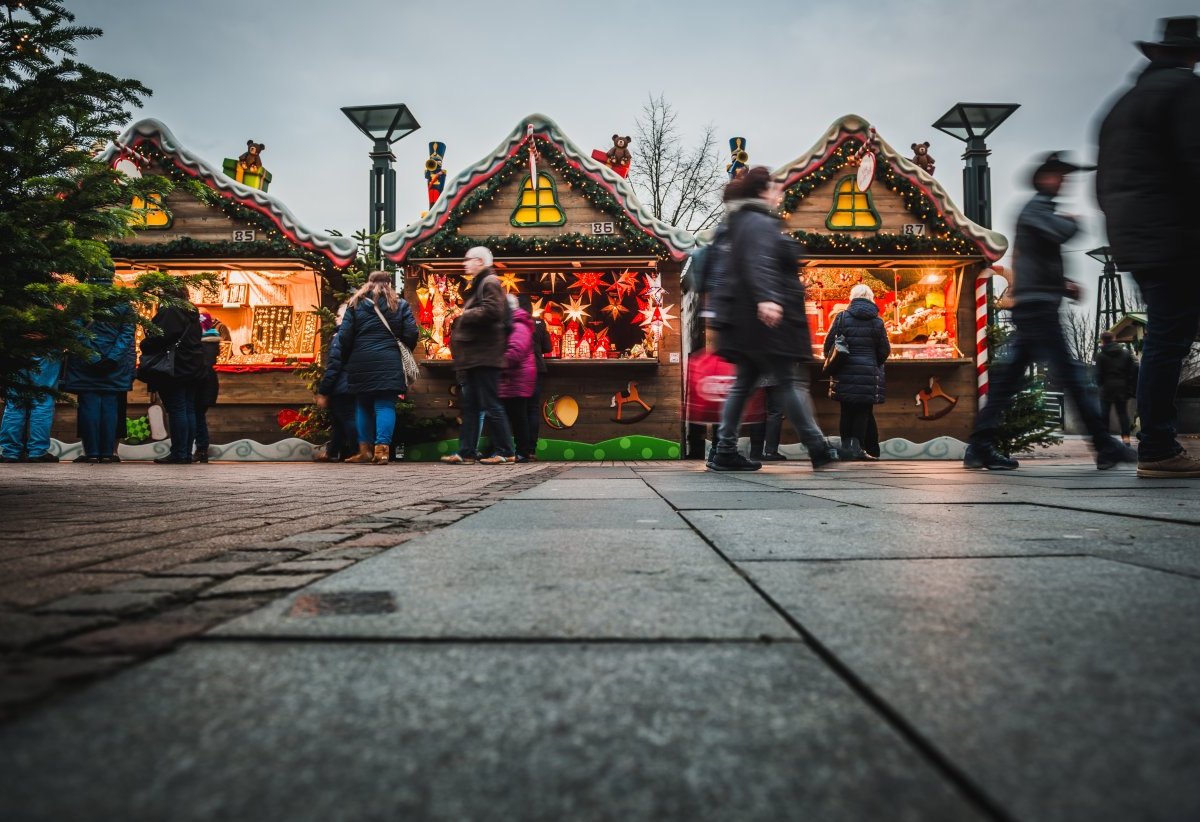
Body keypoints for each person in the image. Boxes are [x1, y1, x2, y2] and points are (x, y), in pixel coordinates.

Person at [964, 153, 1136, 471]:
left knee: (1008, 382)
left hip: (1037, 304)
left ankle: (980, 446)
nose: (1065, 183)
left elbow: (1037, 260)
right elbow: (1059, 233)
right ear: (1045, 178)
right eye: (1061, 176)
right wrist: (1073, 222)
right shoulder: (1037, 209)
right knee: (1071, 376)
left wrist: (1061, 284)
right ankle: (1103, 445)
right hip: (1038, 308)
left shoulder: (1037, 209)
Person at [1097, 15, 1200, 478]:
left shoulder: (1123, 105)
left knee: (1166, 336)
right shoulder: (1183, 92)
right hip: (1179, 235)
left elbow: (1105, 184)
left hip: (1137, 239)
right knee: (1168, 338)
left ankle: (1157, 442)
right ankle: (1157, 444)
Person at [707, 166, 836, 472]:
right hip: (764, 321)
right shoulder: (758, 222)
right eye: (776, 186)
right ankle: (817, 447)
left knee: (745, 383)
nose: (781, 192)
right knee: (789, 381)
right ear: (763, 190)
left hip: (745, 321)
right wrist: (768, 298)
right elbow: (759, 259)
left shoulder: (739, 222)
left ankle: (725, 448)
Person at [441, 247, 516, 465]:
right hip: (477, 356)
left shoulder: (489, 282)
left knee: (491, 404)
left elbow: (493, 311)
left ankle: (506, 451)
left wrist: (465, 314)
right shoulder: (481, 283)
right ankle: (466, 452)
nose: (465, 264)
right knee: (473, 405)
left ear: (480, 261)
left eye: (468, 260)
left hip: (484, 355)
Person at [335, 271, 418, 465]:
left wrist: (348, 358)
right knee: (384, 405)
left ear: (368, 283)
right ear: (389, 284)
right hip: (389, 359)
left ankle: (364, 451)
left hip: (360, 359)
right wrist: (401, 348)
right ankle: (382, 452)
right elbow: (412, 332)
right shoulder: (400, 305)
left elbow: (344, 336)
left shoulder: (355, 304)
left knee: (362, 405)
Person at [61, 293, 137, 464]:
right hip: (114, 366)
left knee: (89, 406)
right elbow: (127, 334)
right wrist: (112, 358)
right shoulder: (124, 303)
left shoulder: (81, 300)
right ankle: (108, 452)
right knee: (111, 406)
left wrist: (93, 356)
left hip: (85, 365)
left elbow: (76, 332)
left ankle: (92, 452)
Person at [139, 281, 205, 464]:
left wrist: (144, 344)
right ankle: (185, 452)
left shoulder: (170, 311)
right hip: (191, 366)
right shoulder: (191, 311)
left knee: (176, 408)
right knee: (188, 408)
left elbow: (160, 336)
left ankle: (179, 452)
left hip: (174, 367)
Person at [825, 283, 889, 461]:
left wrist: (837, 363)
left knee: (846, 411)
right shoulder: (877, 321)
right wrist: (873, 363)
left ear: (852, 297)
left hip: (844, 371)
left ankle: (846, 450)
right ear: (871, 298)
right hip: (868, 371)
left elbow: (828, 345)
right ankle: (859, 449)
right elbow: (884, 350)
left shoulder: (842, 317)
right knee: (863, 411)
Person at [315, 304, 358, 462]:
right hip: (355, 383)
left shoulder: (339, 337)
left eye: (339, 316)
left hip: (342, 385)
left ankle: (357, 450)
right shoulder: (357, 335)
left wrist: (324, 390)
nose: (335, 319)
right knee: (339, 420)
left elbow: (334, 365)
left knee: (346, 418)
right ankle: (333, 451)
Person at [0, 356, 62, 464]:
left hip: (15, 349)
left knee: (15, 403)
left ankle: (10, 452)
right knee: (43, 400)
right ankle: (37, 452)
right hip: (47, 347)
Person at [499, 294, 536, 463]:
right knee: (514, 416)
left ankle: (520, 452)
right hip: (513, 378)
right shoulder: (514, 323)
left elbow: (515, 352)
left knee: (516, 416)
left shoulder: (518, 325)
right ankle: (514, 451)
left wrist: (497, 362)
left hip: (516, 378)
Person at [521, 293, 552, 460]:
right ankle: (531, 450)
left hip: (518, 370)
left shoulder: (511, 323)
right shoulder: (539, 324)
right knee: (533, 410)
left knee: (520, 411)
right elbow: (548, 348)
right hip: (537, 369)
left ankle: (520, 449)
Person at [1094, 331, 1138, 445]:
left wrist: (1100, 385)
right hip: (1122, 387)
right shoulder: (1125, 354)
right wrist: (1129, 387)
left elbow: (1098, 374)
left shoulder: (1100, 355)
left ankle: (1105, 439)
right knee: (1122, 414)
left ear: (1102, 340)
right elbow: (1132, 371)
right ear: (1114, 339)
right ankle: (1126, 438)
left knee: (1105, 414)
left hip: (1106, 388)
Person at [193, 314, 221, 463]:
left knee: (196, 416)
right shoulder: (213, 342)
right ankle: (201, 449)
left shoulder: (199, 343)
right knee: (199, 417)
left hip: (199, 382)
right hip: (208, 383)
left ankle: (199, 448)